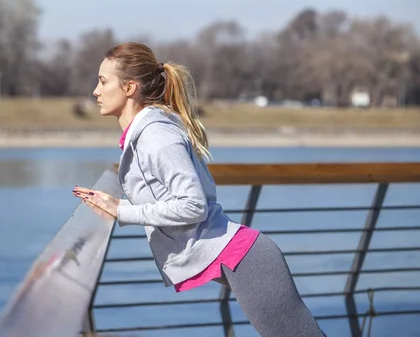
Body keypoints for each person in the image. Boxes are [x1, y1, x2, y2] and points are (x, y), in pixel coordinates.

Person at [72, 42, 326, 337]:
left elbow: (193, 204)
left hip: (248, 260)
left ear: (129, 87)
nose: (95, 91)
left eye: (103, 82)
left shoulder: (156, 135)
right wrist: (114, 204)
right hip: (243, 259)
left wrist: (122, 211)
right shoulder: (145, 134)